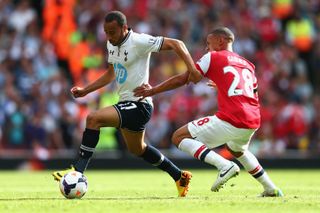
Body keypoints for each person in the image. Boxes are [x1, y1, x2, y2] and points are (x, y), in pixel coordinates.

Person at [52, 11, 199, 197]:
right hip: (126, 103)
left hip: (139, 104)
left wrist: (192, 69)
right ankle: (179, 176)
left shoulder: (139, 41)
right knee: (138, 149)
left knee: (93, 118)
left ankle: (78, 171)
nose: (109, 36)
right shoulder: (111, 43)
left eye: (112, 32)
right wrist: (86, 90)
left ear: (124, 28)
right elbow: (110, 74)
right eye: (106, 32)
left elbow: (177, 44)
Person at [134, 27, 283, 197]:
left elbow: (187, 78)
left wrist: (153, 90)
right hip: (253, 119)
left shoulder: (213, 57)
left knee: (178, 137)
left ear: (221, 41)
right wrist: (221, 84)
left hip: (232, 118)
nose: (206, 48)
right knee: (237, 149)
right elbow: (249, 93)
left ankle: (224, 165)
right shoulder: (248, 64)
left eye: (208, 43)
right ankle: (270, 188)